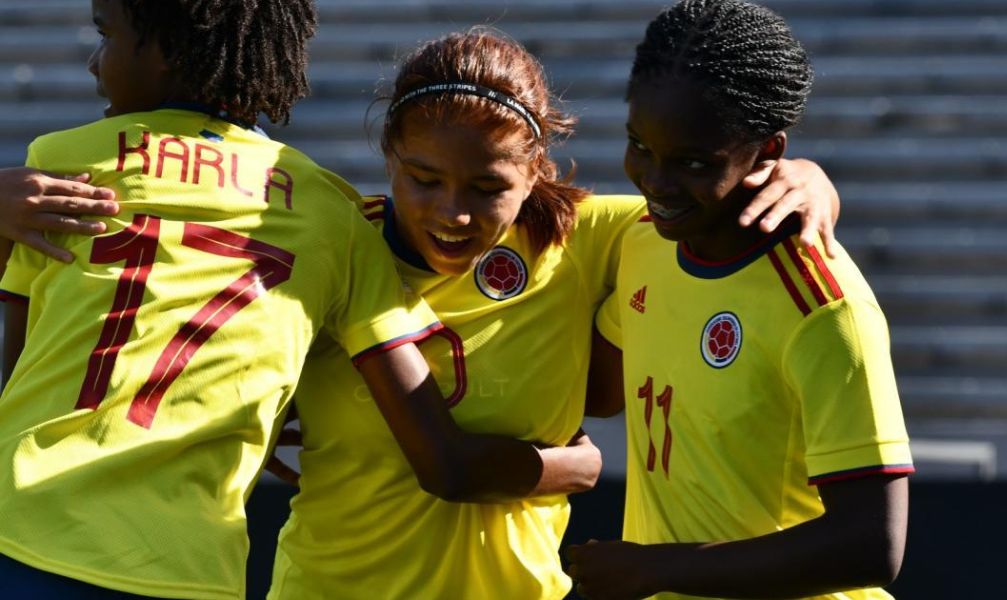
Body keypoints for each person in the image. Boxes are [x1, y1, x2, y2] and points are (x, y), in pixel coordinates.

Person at [0, 25, 840, 600]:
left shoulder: (599, 238)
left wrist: (806, 176)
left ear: (537, 170)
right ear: (387, 159)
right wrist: (572, 469)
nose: (451, 211)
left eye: (487, 189)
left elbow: (713, 199)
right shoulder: (333, 248)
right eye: (422, 178)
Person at [0, 3, 599, 599]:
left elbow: (20, 373)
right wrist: (578, 468)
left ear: (165, 51)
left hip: (20, 528)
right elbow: (444, 459)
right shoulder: (328, 211)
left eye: (106, 36)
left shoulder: (61, 167)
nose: (92, 61)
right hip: (184, 569)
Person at [571, 1, 913, 598]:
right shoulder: (644, 243)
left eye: (694, 163)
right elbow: (601, 394)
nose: (656, 181)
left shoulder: (825, 308)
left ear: (768, 153)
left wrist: (654, 570)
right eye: (639, 146)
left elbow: (872, 545)